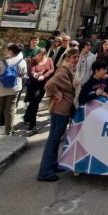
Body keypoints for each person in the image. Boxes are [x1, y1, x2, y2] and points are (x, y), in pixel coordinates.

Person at [38, 48, 79, 182]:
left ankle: (53, 165)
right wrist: (57, 94)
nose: (76, 60)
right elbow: (49, 85)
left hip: (63, 109)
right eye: (74, 57)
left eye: (77, 57)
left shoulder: (69, 71)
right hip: (59, 109)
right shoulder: (63, 71)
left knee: (56, 138)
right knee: (53, 139)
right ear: (67, 58)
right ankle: (45, 172)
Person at [0, 43, 27, 135]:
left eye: (6, 49)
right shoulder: (22, 61)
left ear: (11, 51)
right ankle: (8, 131)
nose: (5, 50)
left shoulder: (2, 62)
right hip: (14, 89)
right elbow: (23, 74)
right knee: (10, 111)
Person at [23, 47, 54, 132]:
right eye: (38, 55)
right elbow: (32, 70)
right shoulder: (34, 60)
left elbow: (51, 69)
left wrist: (44, 76)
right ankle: (32, 124)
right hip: (33, 84)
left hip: (43, 84)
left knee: (35, 102)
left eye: (41, 55)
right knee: (33, 103)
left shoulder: (49, 59)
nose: (39, 57)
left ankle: (28, 119)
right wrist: (35, 74)